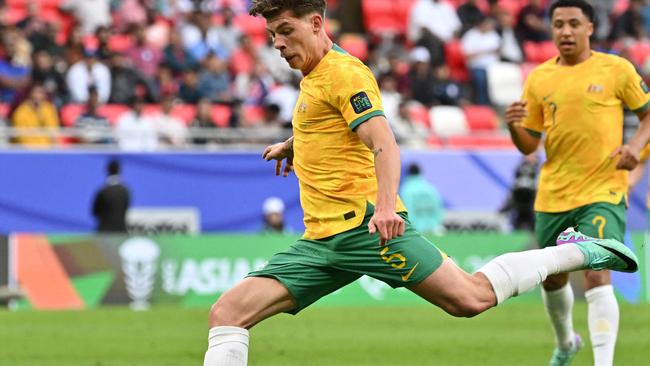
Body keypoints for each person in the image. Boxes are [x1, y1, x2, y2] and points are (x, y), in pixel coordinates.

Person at [202, 2, 639, 366]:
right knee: (227, 313)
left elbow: (384, 143)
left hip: (366, 229)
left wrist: (388, 206)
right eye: (272, 35)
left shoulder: (345, 74)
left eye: (285, 30)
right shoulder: (315, 79)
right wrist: (294, 143)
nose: (277, 43)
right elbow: (333, 124)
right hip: (321, 242)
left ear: (316, 24)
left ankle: (579, 251)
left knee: (470, 299)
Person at [504, 1, 650, 365]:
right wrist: (513, 126)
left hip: (603, 190)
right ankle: (566, 341)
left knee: (596, 270)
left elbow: (647, 115)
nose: (565, 31)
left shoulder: (616, 69)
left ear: (590, 28)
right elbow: (530, 144)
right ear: (551, 30)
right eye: (558, 24)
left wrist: (634, 146)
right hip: (553, 194)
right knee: (552, 279)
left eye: (573, 23)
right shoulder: (539, 78)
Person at [399, 163, 445, 235]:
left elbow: (407, 209)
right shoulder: (430, 187)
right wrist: (435, 224)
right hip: (434, 228)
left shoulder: (406, 188)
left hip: (415, 230)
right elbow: (438, 207)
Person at [500, 153, 538, 232]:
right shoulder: (520, 169)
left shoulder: (539, 169)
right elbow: (515, 186)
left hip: (531, 200)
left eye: (533, 156)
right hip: (520, 200)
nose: (531, 158)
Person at [92, 159, 131, 233]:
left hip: (104, 232)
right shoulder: (125, 192)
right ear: (119, 171)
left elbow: (95, 212)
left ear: (107, 170)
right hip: (121, 231)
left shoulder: (103, 192)